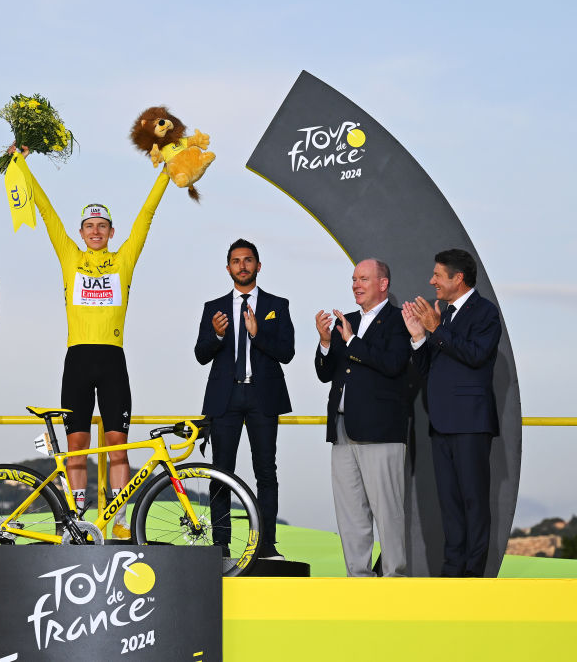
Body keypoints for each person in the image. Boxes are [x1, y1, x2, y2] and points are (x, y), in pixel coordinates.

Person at [11, 144, 169, 539]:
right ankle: (77, 519)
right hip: (78, 360)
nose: (96, 232)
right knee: (77, 447)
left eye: (102, 226)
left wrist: (166, 173)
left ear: (111, 232)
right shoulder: (70, 257)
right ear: (81, 233)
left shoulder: (123, 259)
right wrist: (23, 167)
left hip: (113, 359)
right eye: (89, 226)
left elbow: (146, 217)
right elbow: (46, 214)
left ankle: (116, 518)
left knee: (118, 446)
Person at [402, 248, 501, 577]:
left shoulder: (485, 313)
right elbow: (428, 367)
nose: (432, 281)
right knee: (451, 507)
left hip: (471, 423)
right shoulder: (442, 316)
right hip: (441, 423)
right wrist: (419, 337)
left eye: (437, 276)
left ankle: (472, 579)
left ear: (458, 278)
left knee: (474, 504)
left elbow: (476, 355)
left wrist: (436, 329)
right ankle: (451, 577)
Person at [194, 239, 294, 560]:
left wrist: (257, 333)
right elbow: (200, 354)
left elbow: (287, 353)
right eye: (236, 261)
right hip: (226, 397)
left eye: (248, 260)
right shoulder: (214, 308)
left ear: (258, 266)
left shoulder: (278, 304)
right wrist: (217, 334)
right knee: (221, 472)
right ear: (228, 268)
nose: (242, 265)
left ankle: (266, 545)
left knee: (265, 472)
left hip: (263, 396)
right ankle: (221, 548)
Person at [314, 259, 410, 577]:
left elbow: (394, 364)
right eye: (354, 279)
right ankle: (358, 580)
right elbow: (325, 373)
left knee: (388, 513)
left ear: (383, 284)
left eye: (363, 279)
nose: (356, 284)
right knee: (351, 513)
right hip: (342, 430)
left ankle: (394, 578)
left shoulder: (399, 321)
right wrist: (326, 342)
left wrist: (353, 341)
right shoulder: (348, 321)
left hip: (381, 430)